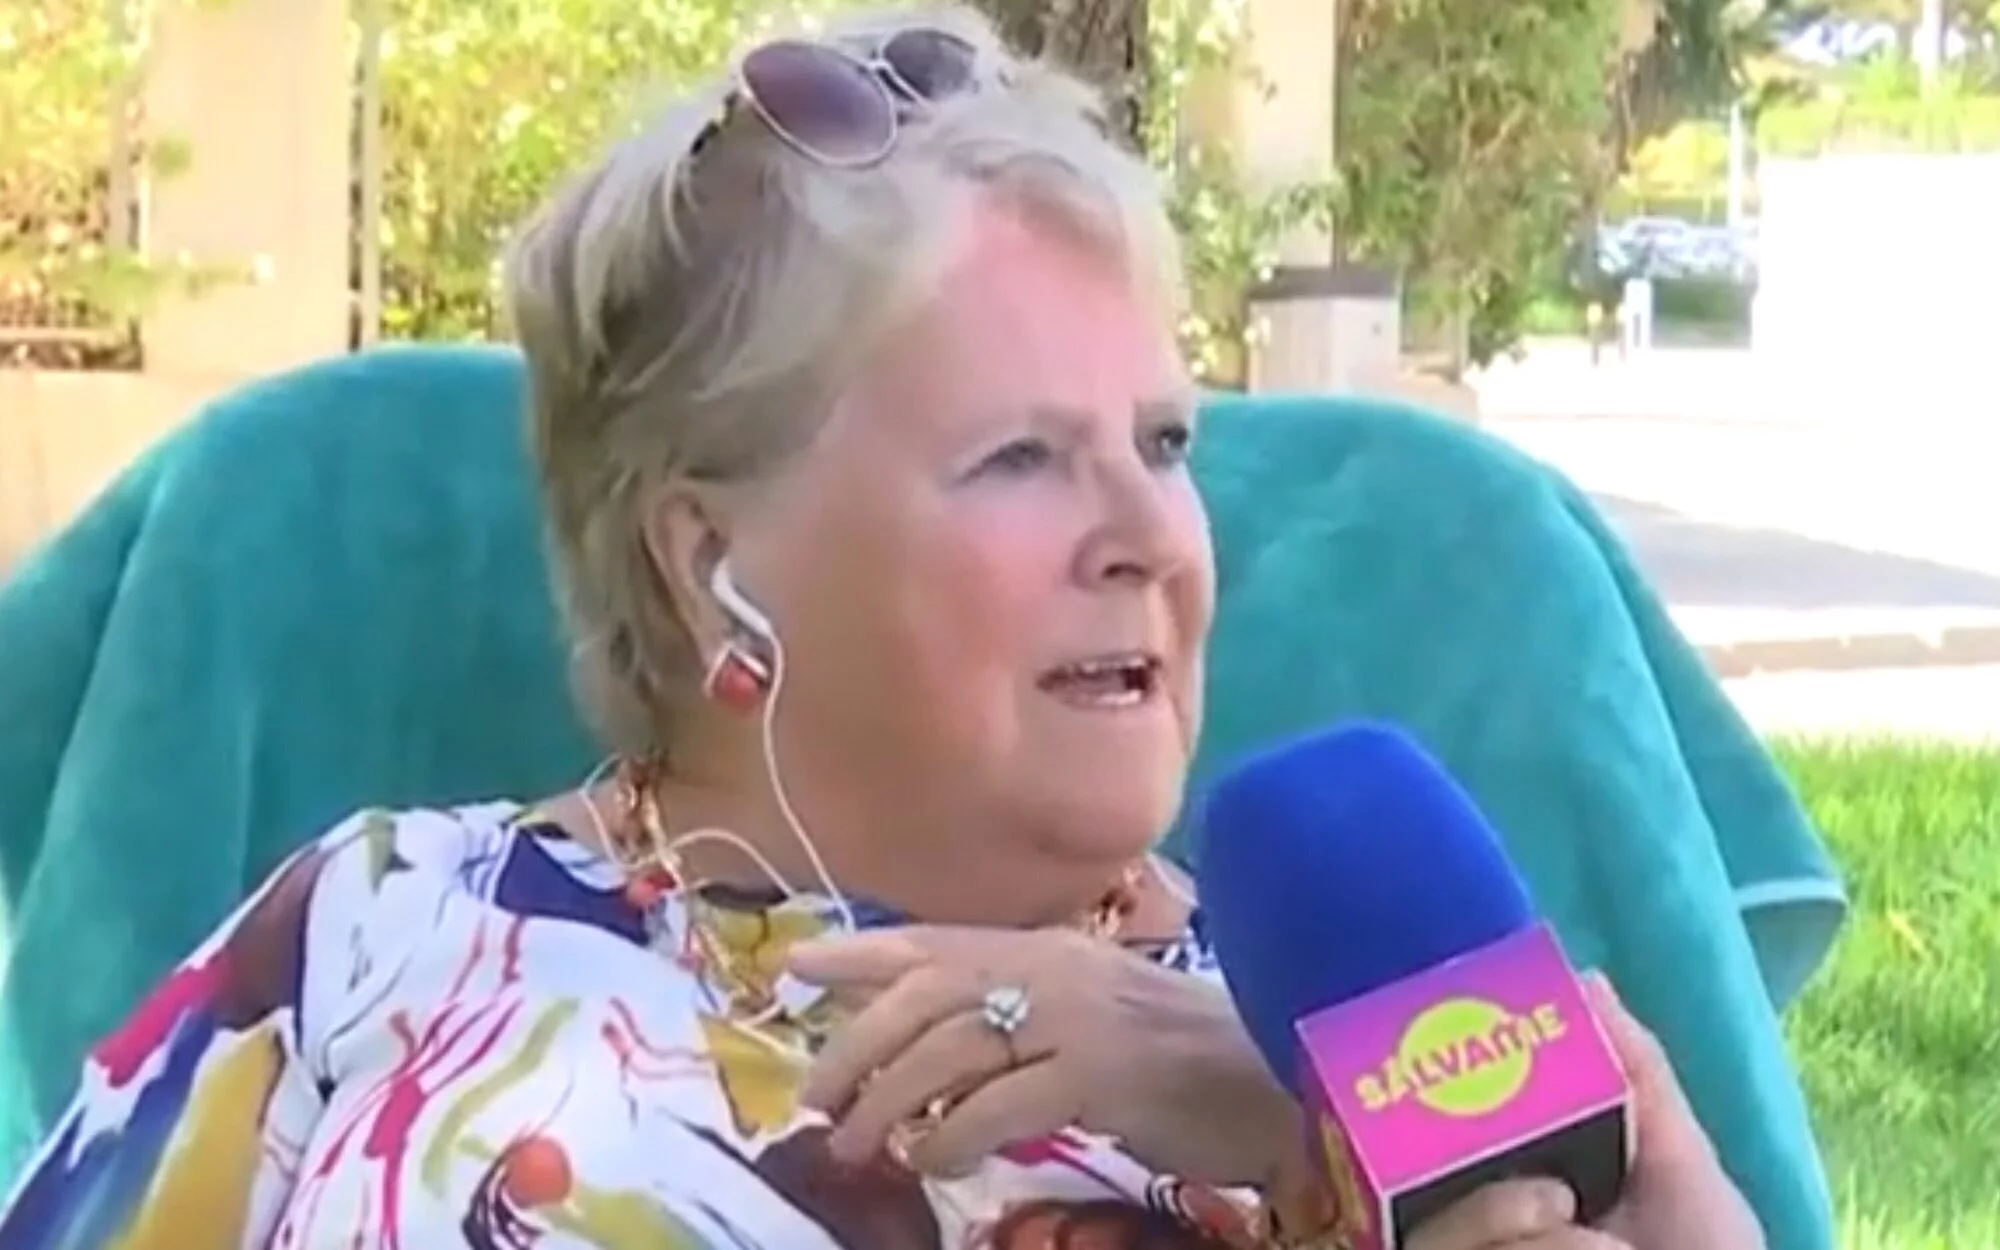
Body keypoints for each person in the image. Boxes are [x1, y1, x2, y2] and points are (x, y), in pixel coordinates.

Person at [0, 7, 1765, 1248]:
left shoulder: (1355, 1034)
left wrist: (1284, 1109)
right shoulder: (375, 933)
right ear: (708, 561)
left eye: (1164, 444)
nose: (1149, 535)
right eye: (1020, 457)